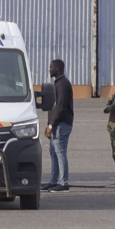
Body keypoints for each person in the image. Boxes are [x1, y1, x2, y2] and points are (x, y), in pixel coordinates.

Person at [42, 59, 74, 192]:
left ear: (58, 68)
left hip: (61, 124)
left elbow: (60, 107)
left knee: (60, 152)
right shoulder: (58, 83)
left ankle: (63, 182)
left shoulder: (62, 84)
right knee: (53, 153)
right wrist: (50, 124)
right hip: (56, 124)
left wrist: (51, 125)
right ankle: (53, 181)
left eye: (51, 67)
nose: (49, 69)